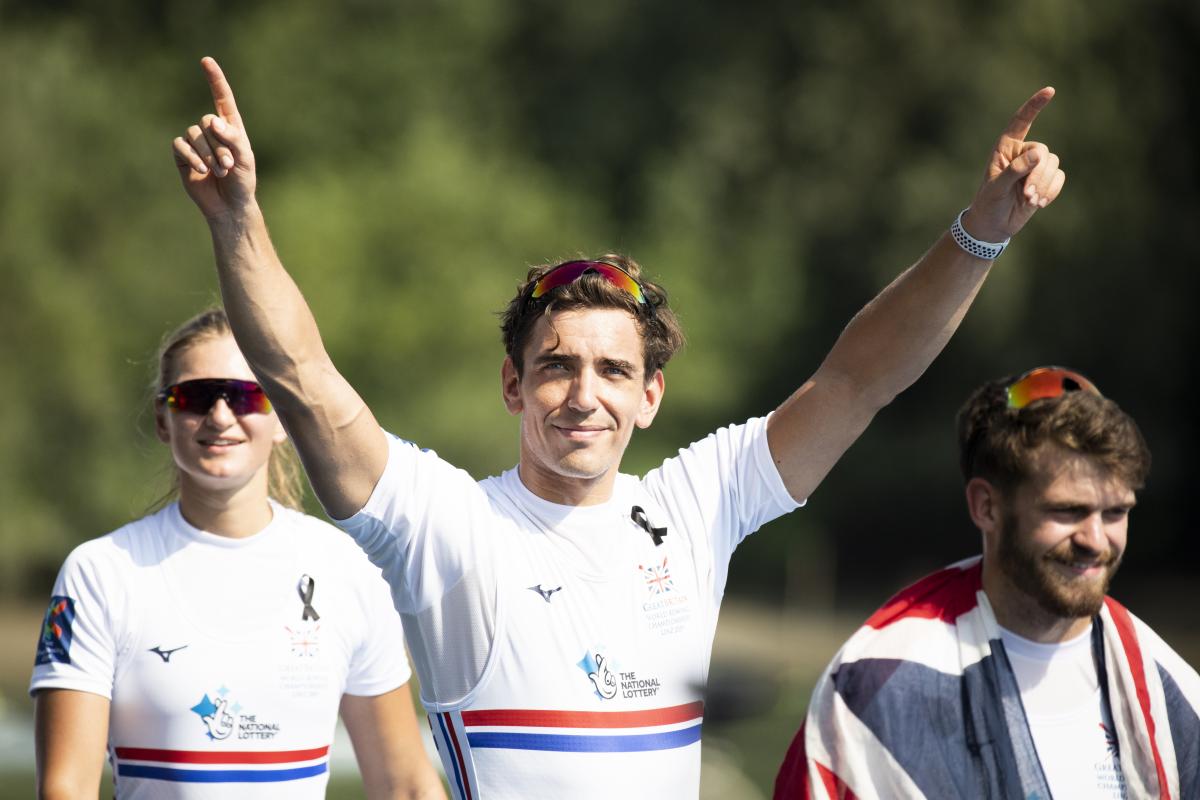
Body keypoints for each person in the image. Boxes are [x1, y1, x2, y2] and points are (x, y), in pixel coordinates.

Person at [172, 54, 1066, 798]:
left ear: (650, 399)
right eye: (556, 366)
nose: (583, 394)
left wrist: (981, 233)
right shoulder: (446, 526)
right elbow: (302, 377)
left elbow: (857, 380)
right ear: (514, 390)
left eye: (613, 370)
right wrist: (238, 221)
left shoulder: (694, 506)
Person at [30, 308, 446, 799]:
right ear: (164, 419)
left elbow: (406, 785)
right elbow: (66, 788)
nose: (221, 416)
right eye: (196, 397)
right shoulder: (99, 573)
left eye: (247, 396)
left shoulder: (347, 569)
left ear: (283, 418)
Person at [774, 367, 1200, 799]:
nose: (1095, 540)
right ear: (986, 507)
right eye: (1068, 511)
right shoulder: (881, 686)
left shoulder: (1170, 690)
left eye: (1115, 513)